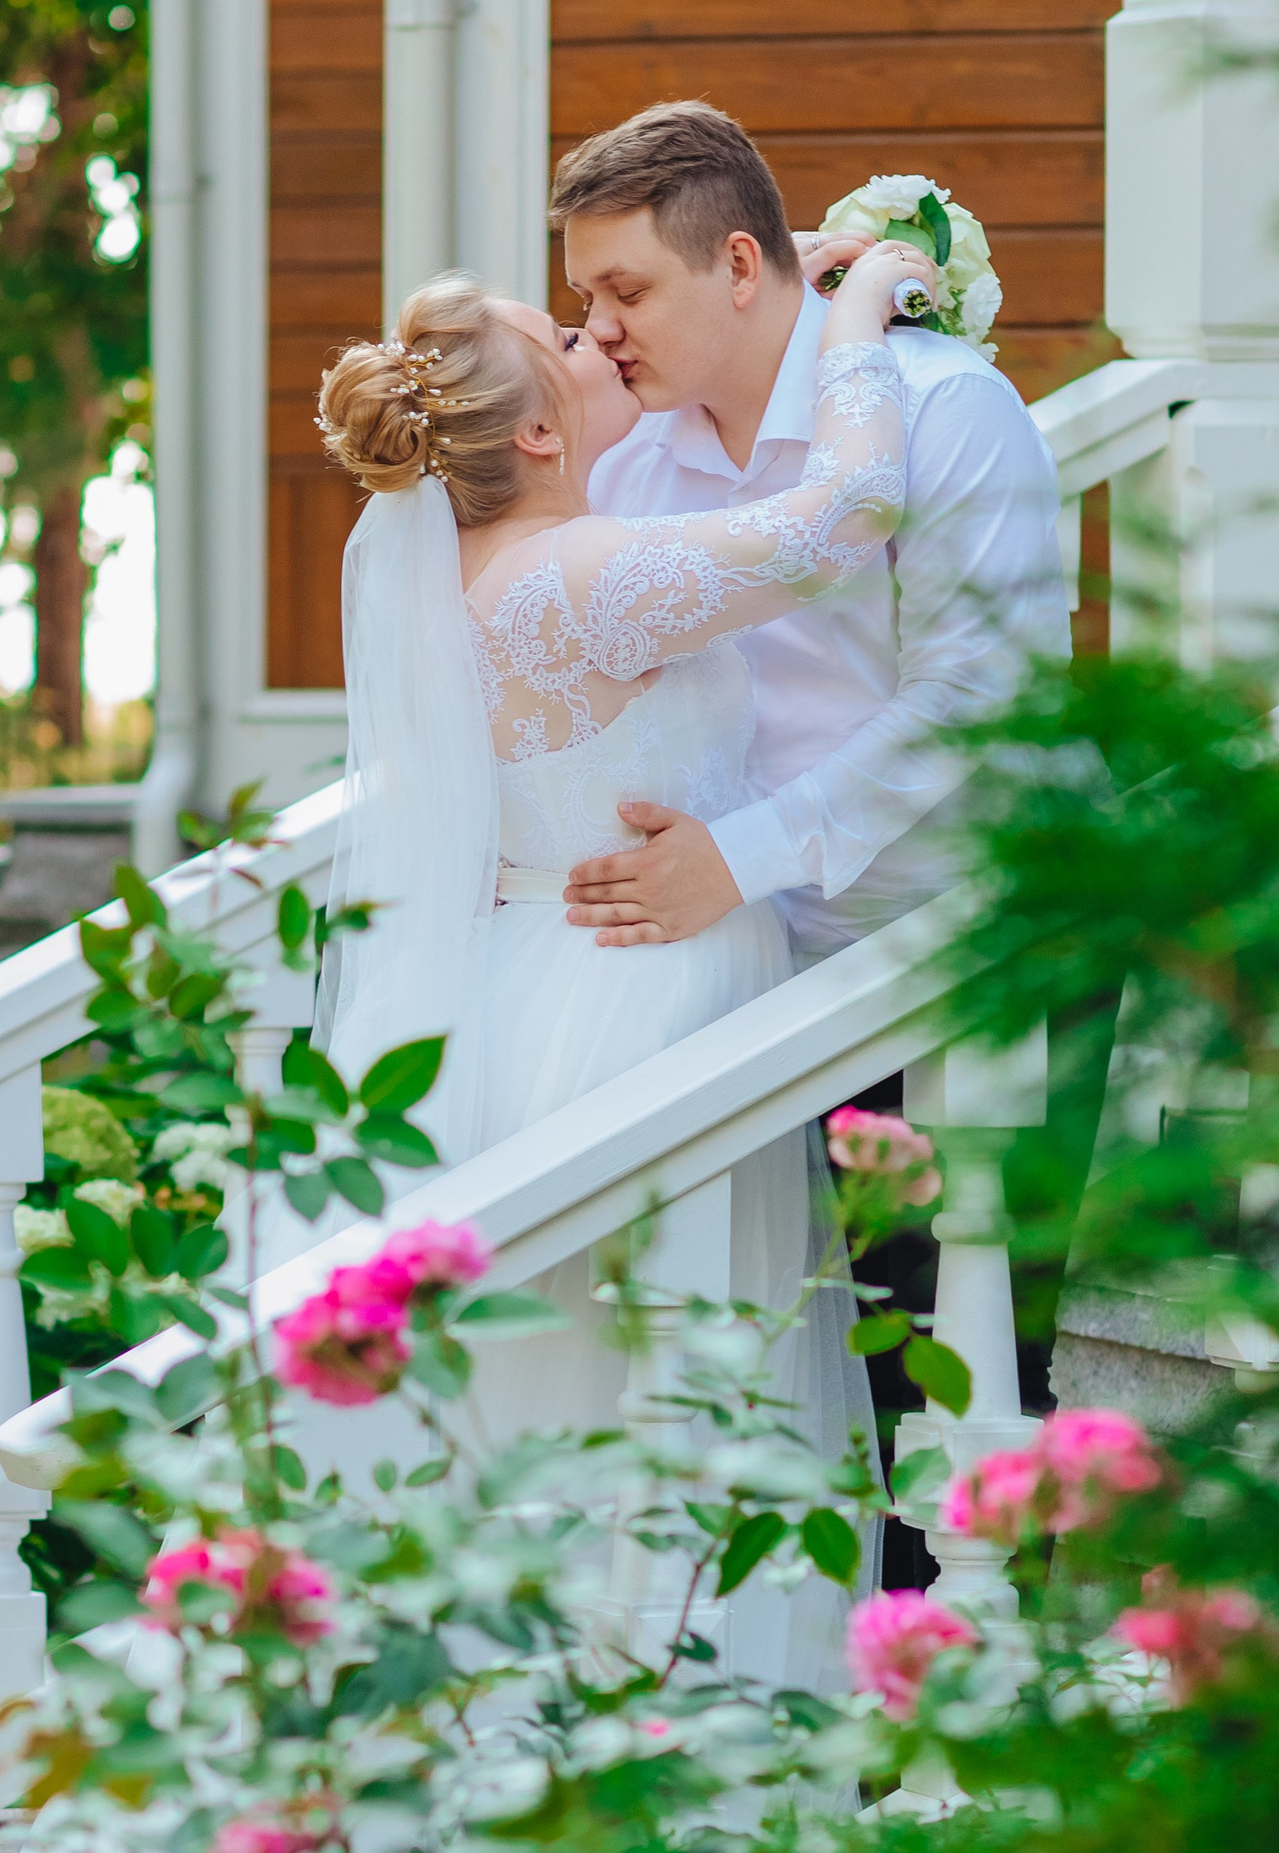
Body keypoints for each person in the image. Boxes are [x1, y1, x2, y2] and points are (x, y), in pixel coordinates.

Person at [295, 237, 935, 1697]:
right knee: (676, 1389)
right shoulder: (576, 575)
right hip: (648, 992)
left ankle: (542, 1722)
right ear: (533, 431)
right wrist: (850, 313)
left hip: (533, 982)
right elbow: (847, 514)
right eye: (569, 343)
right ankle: (682, 1714)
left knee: (565, 1402)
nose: (603, 342)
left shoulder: (466, 573)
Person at [551, 102, 1069, 964]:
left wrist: (738, 858)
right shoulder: (625, 450)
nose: (601, 327)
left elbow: (980, 690)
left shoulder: (942, 403)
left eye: (629, 292)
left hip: (961, 947)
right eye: (584, 299)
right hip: (721, 958)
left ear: (741, 265)